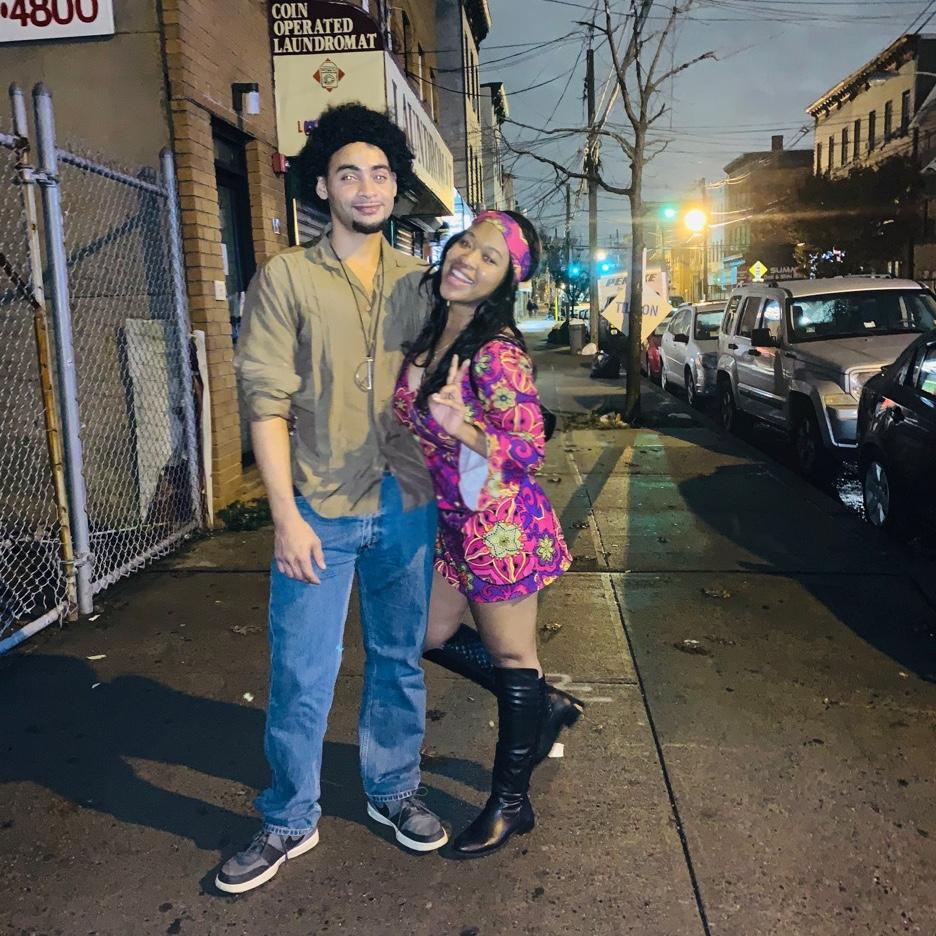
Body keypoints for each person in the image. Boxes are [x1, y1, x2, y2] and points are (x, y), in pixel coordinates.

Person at [217, 103, 447, 894]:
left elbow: (457, 383)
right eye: (350, 174)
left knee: (398, 661)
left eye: (380, 173)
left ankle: (392, 789)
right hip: (319, 508)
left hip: (407, 505)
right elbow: (265, 403)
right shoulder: (286, 278)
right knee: (301, 671)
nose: (368, 187)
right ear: (323, 186)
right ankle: (290, 815)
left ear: (395, 185)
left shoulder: (421, 286)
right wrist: (284, 516)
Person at [394, 211, 580, 858]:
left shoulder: (496, 351)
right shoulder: (437, 327)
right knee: (428, 634)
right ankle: (544, 706)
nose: (468, 258)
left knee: (513, 661)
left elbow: (528, 447)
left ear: (506, 281)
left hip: (500, 531)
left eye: (490, 258)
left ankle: (510, 802)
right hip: (452, 524)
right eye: (467, 243)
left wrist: (461, 427)